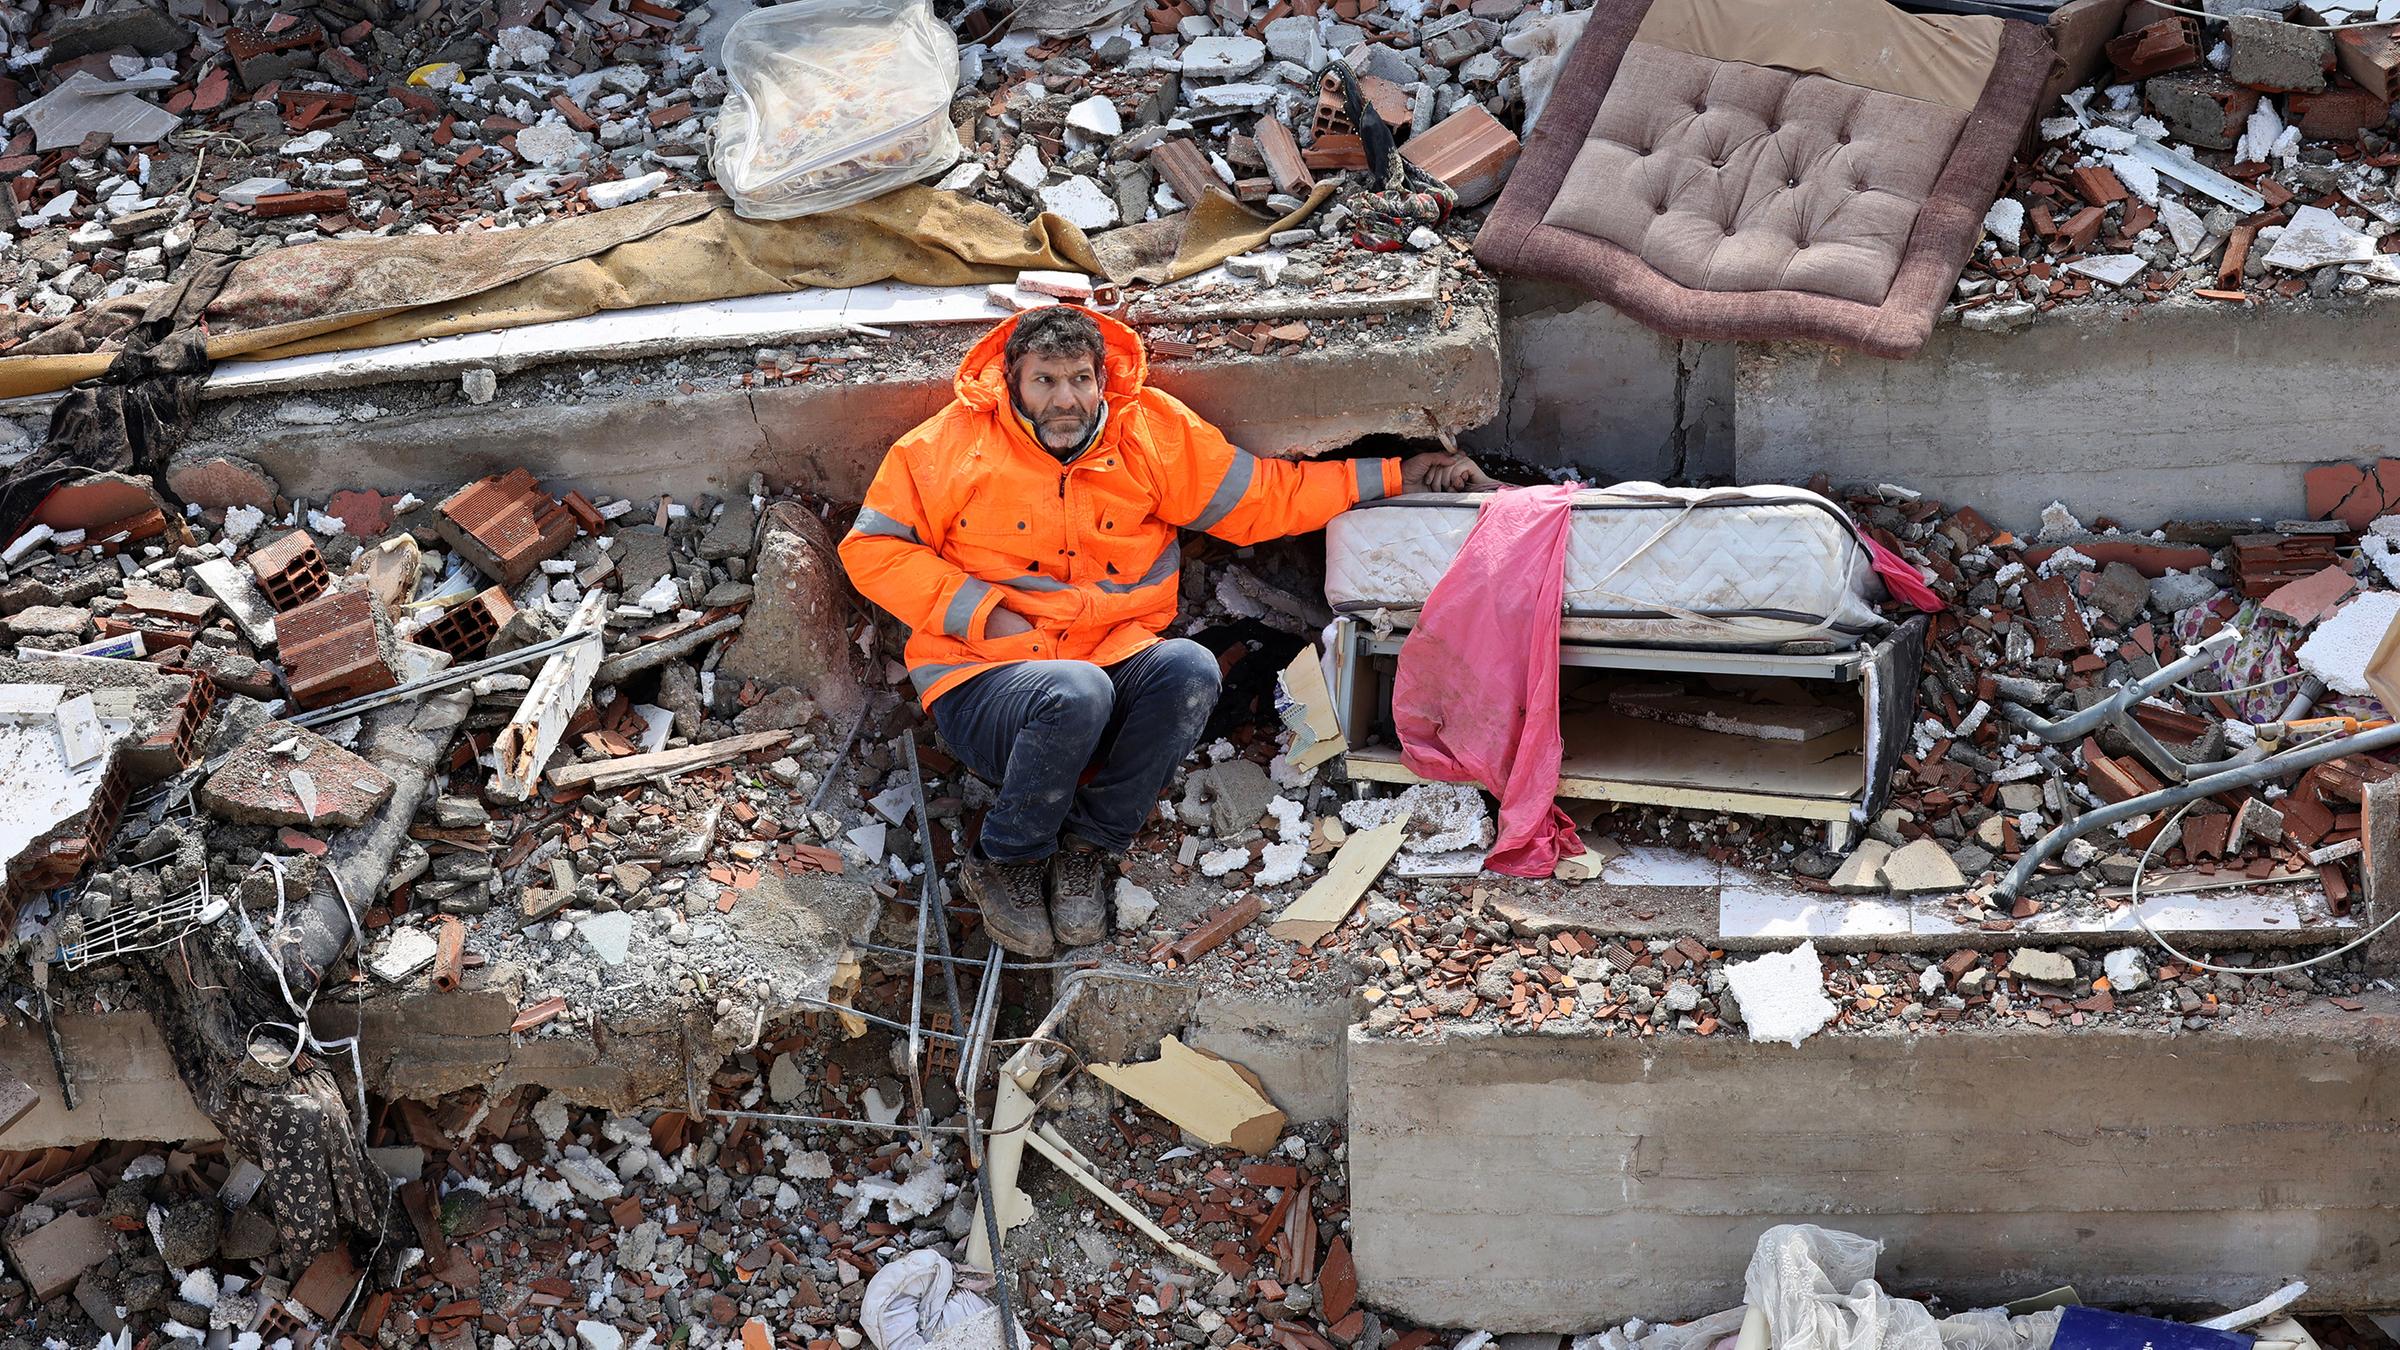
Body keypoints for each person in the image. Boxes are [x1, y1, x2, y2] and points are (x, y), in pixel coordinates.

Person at [838, 305, 1491, 956]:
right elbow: (872, 550)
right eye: (1045, 382)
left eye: (1080, 380)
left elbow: (1264, 499)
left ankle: (1086, 851)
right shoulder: (949, 444)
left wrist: (1400, 474)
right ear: (1013, 381)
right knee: (1076, 692)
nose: (1066, 399)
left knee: (1189, 670)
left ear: (1101, 379)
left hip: (1107, 672)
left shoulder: (1147, 432)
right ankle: (1006, 859)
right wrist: (984, 612)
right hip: (986, 688)